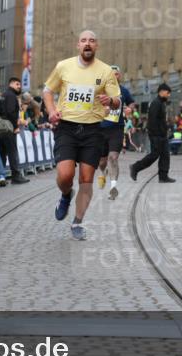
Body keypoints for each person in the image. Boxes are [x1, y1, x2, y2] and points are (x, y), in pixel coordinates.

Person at [42, 30, 122, 240]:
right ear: (78, 45)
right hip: (67, 128)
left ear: (97, 46)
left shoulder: (106, 71)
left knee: (86, 180)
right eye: (84, 40)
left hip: (93, 130)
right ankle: (66, 195)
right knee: (65, 175)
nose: (88, 44)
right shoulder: (64, 66)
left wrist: (110, 101)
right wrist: (51, 111)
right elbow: (47, 91)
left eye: (92, 41)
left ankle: (77, 222)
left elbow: (117, 100)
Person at [96, 65, 134, 200]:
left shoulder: (124, 91)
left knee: (113, 157)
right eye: (111, 74)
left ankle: (113, 187)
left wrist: (130, 109)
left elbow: (131, 103)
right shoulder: (100, 90)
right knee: (102, 161)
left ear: (119, 76)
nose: (114, 76)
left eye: (116, 74)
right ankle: (102, 172)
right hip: (101, 130)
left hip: (116, 129)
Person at [129, 83, 175, 184]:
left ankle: (163, 176)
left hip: (162, 135)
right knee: (154, 155)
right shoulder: (156, 103)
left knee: (165, 155)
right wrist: (156, 134)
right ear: (162, 92)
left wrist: (165, 130)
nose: (169, 95)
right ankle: (135, 167)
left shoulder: (161, 103)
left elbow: (161, 120)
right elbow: (152, 120)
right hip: (156, 135)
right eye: (168, 93)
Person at [0, 77, 29, 184]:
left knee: (2, 153)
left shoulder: (4, 95)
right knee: (12, 152)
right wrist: (15, 126)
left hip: (1, 127)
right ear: (11, 84)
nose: (19, 86)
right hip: (9, 128)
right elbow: (11, 112)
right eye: (17, 84)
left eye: (19, 84)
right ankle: (15, 176)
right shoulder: (11, 95)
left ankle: (0, 176)